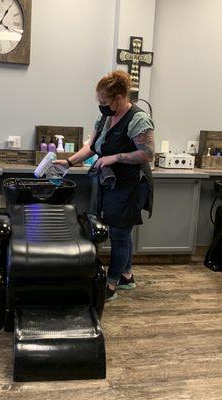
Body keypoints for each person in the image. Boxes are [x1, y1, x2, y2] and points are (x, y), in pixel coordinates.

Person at [54, 70, 154, 302]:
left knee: (119, 233)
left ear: (119, 97)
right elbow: (92, 146)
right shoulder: (106, 118)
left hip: (131, 183)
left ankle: (111, 285)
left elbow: (148, 154)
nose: (101, 106)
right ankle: (127, 275)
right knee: (121, 230)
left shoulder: (138, 119)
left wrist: (115, 157)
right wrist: (68, 162)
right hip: (113, 182)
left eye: (104, 102)